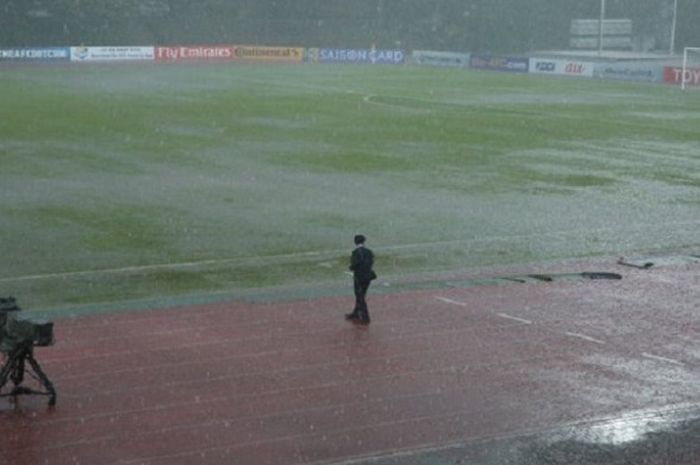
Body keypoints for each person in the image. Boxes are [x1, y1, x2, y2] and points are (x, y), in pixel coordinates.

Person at [345, 234, 376, 325]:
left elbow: (354, 265)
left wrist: (351, 267)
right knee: (361, 295)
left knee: (360, 296)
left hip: (359, 277)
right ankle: (356, 313)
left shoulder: (356, 252)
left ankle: (365, 317)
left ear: (355, 242)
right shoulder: (369, 252)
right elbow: (370, 262)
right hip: (368, 276)